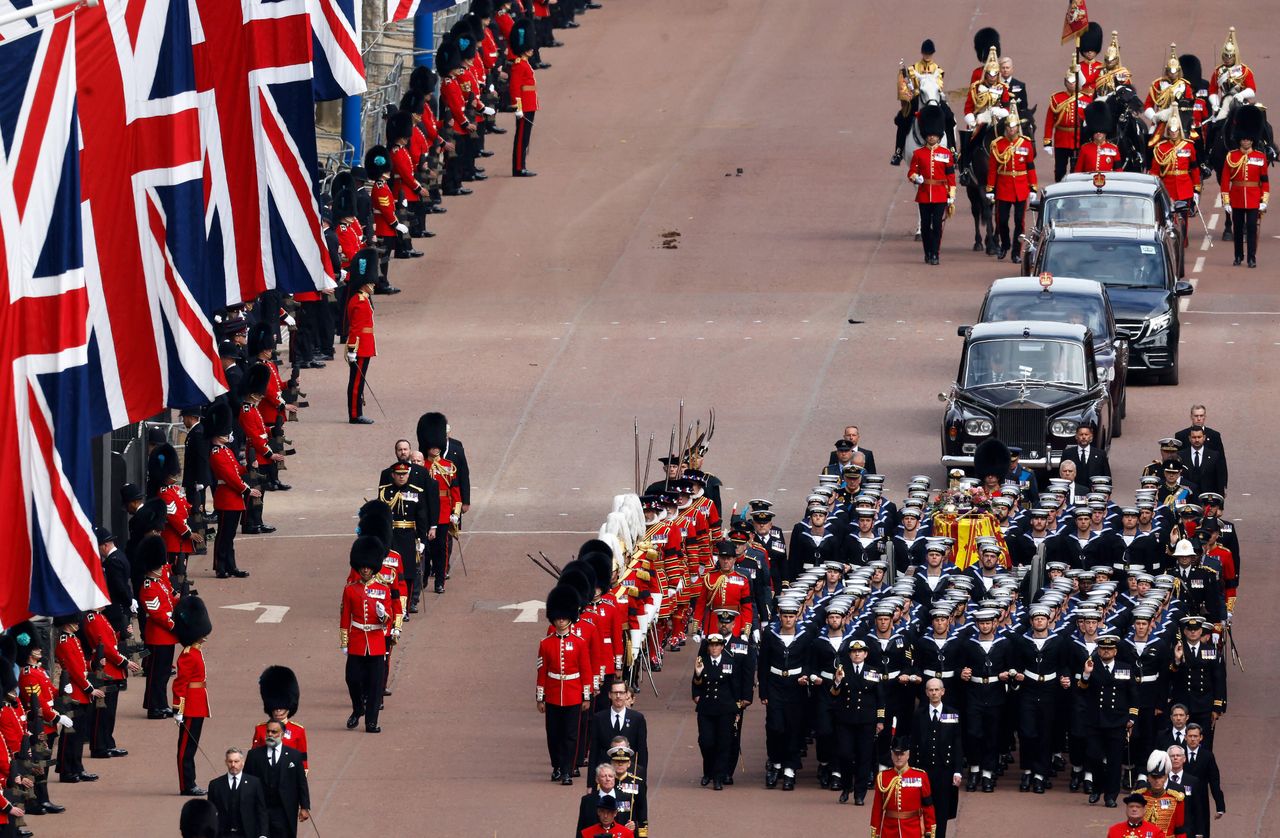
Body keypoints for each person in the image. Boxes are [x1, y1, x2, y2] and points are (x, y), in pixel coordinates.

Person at [538, 584, 592, 785]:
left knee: (571, 735)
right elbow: (542, 671)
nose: (560, 621)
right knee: (553, 734)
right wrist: (540, 697)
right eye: (558, 617)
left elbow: (586, 671)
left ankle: (568, 770)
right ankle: (557, 766)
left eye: (564, 617)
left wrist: (586, 696)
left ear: (570, 617)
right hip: (552, 694)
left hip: (573, 694)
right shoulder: (546, 643)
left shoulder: (579, 643)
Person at [341, 537, 392, 733]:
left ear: (373, 567)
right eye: (362, 566)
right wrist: (344, 641)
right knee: (352, 679)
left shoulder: (383, 589)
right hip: (357, 639)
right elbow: (345, 616)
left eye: (368, 567)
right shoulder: (350, 590)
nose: (365, 570)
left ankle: (371, 721)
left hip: (377, 641)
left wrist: (382, 615)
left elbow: (388, 618)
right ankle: (357, 708)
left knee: (375, 685)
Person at [1078, 634, 1135, 807]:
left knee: (1114, 760)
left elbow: (1133, 695)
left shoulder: (1125, 668)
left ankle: (1111, 795)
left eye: (1109, 649)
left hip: (1117, 721)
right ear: (1099, 650)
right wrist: (1086, 675)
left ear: (1115, 651)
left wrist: (1132, 717)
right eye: (1103, 648)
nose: (1106, 651)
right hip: (1096, 720)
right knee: (1094, 756)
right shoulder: (1091, 667)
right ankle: (1097, 788)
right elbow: (1081, 689)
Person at [829, 639, 885, 805]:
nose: (857, 654)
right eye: (854, 651)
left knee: (864, 757)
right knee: (845, 754)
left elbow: (880, 698)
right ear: (850, 654)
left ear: (866, 654)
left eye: (860, 651)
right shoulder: (842, 670)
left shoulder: (873, 672)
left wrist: (880, 720)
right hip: (845, 720)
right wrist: (837, 681)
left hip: (867, 721)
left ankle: (859, 794)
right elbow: (833, 693)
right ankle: (847, 787)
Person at [691, 632, 747, 791]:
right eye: (711, 645)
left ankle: (718, 777)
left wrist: (738, 707)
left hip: (725, 708)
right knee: (706, 741)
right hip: (707, 708)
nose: (714, 648)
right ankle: (707, 771)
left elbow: (735, 686)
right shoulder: (702, 661)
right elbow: (696, 684)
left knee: (723, 743)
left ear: (722, 647)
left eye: (717, 645)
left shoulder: (730, 662)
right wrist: (698, 673)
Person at [208, 401, 257, 579]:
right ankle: (220, 566)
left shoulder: (226, 451)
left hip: (234, 498)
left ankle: (231, 565)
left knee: (229, 537)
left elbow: (236, 469)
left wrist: (249, 467)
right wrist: (246, 489)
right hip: (226, 498)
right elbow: (230, 477)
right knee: (223, 536)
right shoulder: (216, 453)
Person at [985, 106, 1039, 262]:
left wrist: (1033, 187)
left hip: (1021, 187)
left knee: (1019, 221)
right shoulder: (997, 145)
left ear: (1017, 128)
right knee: (1001, 220)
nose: (1011, 130)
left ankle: (1016, 251)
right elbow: (993, 169)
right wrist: (990, 188)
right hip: (1004, 187)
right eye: (1008, 127)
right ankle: (1005, 244)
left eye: (1014, 127)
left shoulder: (1026, 144)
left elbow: (1030, 167)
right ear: (1005, 128)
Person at [51, 613, 101, 784]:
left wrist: (93, 665)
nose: (78, 623)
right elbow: (73, 670)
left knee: (79, 734)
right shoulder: (64, 642)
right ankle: (66, 770)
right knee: (70, 735)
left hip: (81, 691)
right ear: (67, 623)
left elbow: (81, 663)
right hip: (74, 693)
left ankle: (77, 767)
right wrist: (89, 688)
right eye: (74, 621)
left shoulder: (73, 639)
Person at [910, 679, 961, 838]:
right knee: (922, 807)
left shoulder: (952, 714)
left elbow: (957, 743)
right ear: (926, 693)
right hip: (923, 770)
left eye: (937, 690)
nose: (934, 693)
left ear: (943, 692)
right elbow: (914, 743)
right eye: (930, 690)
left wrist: (958, 771)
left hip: (944, 770)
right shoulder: (919, 713)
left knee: (942, 810)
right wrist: (910, 770)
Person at [172, 595, 212, 796]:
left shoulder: (195, 651)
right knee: (186, 749)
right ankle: (186, 784)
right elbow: (180, 684)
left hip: (198, 703)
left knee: (191, 747)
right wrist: (178, 709)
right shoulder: (188, 654)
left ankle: (191, 781)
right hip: (190, 706)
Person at [906, 105, 956, 266]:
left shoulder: (946, 154)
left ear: (939, 136)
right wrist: (916, 178)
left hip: (941, 193)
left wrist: (951, 195)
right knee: (926, 227)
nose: (931, 138)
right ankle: (927, 251)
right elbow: (911, 172)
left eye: (934, 135)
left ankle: (935, 253)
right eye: (929, 135)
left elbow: (950, 176)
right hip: (924, 193)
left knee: (937, 227)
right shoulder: (918, 153)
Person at [1220, 104, 1268, 268]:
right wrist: (1226, 201)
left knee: (1252, 229)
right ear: (1239, 138)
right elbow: (1226, 180)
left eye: (1248, 138)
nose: (1246, 140)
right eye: (1243, 138)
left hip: (1254, 199)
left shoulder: (1260, 157)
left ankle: (1252, 258)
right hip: (1237, 198)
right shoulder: (1231, 156)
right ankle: (1238, 256)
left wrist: (1264, 200)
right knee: (1238, 230)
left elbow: (1265, 181)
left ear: (1252, 139)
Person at [244, 720, 310, 838]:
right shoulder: (254, 755)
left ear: (282, 734)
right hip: (260, 808)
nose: (270, 734)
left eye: (274, 732)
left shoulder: (294, 755)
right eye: (268, 731)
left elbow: (301, 782)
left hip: (284, 809)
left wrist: (304, 807)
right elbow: (246, 781)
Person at [138, 535, 179, 718]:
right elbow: (158, 614)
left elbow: (170, 601)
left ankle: (162, 704)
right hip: (158, 636)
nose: (164, 567)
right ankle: (154, 707)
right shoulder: (148, 587)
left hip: (166, 636)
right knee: (156, 675)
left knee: (163, 675)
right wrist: (174, 626)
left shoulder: (159, 582)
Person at [868, 736, 937, 838]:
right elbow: (877, 808)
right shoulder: (882, 777)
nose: (899, 757)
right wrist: (876, 832)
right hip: (889, 831)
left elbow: (928, 806)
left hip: (913, 830)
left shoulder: (920, 776)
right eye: (896, 754)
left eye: (902, 754)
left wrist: (929, 830)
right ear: (891, 755)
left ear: (908, 755)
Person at [892, 39, 944, 166]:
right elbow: (906, 86)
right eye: (926, 53)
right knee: (902, 119)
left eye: (929, 53)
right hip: (918, 99)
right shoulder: (913, 69)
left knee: (949, 117)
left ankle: (953, 150)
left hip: (933, 98)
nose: (927, 56)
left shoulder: (938, 69)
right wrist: (912, 92)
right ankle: (898, 151)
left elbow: (940, 85)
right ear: (922, 53)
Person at [343, 249, 378, 424]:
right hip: (359, 347)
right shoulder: (359, 301)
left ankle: (357, 412)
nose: (373, 286)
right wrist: (352, 350)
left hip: (365, 346)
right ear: (364, 284)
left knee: (358, 382)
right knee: (356, 383)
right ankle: (355, 414)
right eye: (370, 283)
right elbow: (356, 329)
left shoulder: (362, 298)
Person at [251, 667, 309, 773]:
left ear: (289, 707)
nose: (278, 710)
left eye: (282, 707)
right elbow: (254, 757)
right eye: (275, 707)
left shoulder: (298, 730)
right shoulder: (260, 729)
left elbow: (302, 758)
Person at [589, 680, 648, 780]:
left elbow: (642, 752)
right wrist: (590, 783)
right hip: (604, 777)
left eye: (621, 693)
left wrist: (641, 780)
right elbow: (594, 752)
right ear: (609, 695)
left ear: (626, 695)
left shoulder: (637, 719)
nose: (618, 696)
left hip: (629, 776)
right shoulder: (599, 718)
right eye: (615, 693)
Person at [206, 748, 268, 838]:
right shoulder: (215, 785)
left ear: (242, 762)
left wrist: (263, 834)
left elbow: (261, 810)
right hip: (223, 834)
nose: (233, 765)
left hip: (247, 834)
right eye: (230, 761)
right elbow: (210, 813)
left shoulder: (254, 783)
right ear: (226, 762)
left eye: (236, 761)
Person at [1045, 58, 1090, 181]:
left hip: (1079, 138)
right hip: (1062, 138)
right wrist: (1047, 141)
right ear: (1065, 82)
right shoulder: (1057, 98)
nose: (1071, 84)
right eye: (1069, 82)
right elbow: (1050, 120)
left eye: (1074, 82)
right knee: (1060, 169)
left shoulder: (1086, 99)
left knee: (1077, 169)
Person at [507, 18, 538, 177]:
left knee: (525, 138)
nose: (532, 49)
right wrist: (518, 108)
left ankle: (522, 165)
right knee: (521, 139)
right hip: (524, 107)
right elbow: (515, 88)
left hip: (529, 105)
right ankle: (519, 167)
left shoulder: (524, 63)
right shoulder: (519, 65)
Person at [1208, 27, 1256, 111]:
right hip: (1224, 105)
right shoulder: (1218, 71)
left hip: (1242, 103)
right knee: (1214, 123)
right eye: (1225, 56)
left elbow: (1252, 90)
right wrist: (1215, 103)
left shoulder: (1244, 70)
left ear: (1235, 56)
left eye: (1230, 57)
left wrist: (1241, 95)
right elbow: (1213, 91)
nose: (1227, 59)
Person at [1075, 100, 1120, 173]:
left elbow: (1118, 171)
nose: (1098, 133)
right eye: (1096, 131)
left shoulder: (1114, 148)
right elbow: (1078, 170)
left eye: (1101, 131)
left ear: (1105, 132)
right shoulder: (1085, 149)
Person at [1182, 428, 1226, 497]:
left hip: (1208, 500)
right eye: (1194, 437)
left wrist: (1220, 505)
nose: (1197, 440)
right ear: (1189, 438)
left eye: (1199, 437)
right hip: (1187, 499)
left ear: (1204, 437)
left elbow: (1219, 480)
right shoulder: (1181, 455)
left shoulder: (1214, 455)